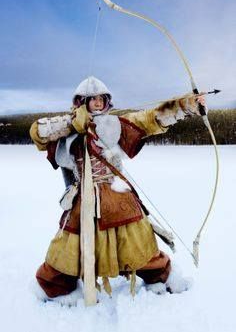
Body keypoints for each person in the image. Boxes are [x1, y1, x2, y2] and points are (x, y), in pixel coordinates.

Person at [30, 76, 207, 305]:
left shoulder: (116, 124)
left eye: (101, 99)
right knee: (68, 248)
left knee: (138, 242)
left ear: (107, 101)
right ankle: (54, 287)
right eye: (91, 99)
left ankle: (161, 278)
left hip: (117, 194)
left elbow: (152, 118)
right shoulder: (68, 127)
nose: (96, 103)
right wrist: (73, 123)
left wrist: (188, 105)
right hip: (83, 198)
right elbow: (37, 132)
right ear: (80, 101)